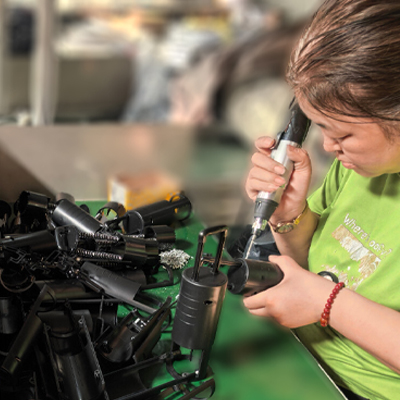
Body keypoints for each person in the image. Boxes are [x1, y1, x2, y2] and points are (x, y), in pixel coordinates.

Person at [243, 1, 400, 399]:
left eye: (342, 134)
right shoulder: (362, 167)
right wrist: (289, 216)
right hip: (301, 352)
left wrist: (325, 302)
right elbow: (311, 267)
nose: (328, 147)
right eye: (320, 128)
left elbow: (317, 292)